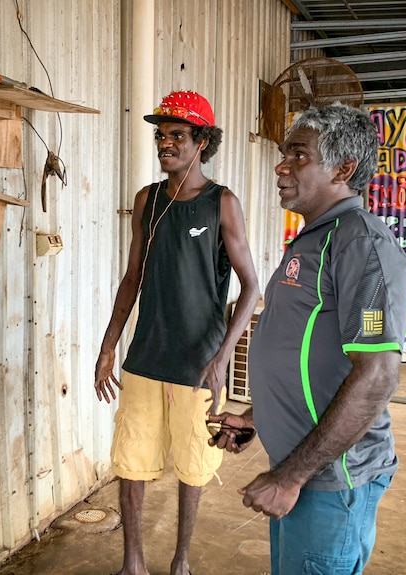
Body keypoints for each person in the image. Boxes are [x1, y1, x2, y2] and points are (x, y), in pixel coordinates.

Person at [209, 103, 406, 574]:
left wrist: (291, 475)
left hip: (329, 478)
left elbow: (378, 375)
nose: (281, 166)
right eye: (284, 154)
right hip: (302, 469)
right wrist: (260, 417)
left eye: (298, 155)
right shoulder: (315, 239)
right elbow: (310, 357)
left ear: (344, 168)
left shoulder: (361, 245)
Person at [94, 90, 260, 575]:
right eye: (161, 135)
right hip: (145, 358)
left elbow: (251, 286)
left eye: (177, 135)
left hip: (198, 365)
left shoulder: (221, 203)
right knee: (130, 462)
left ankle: (181, 561)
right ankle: (133, 564)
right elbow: (132, 278)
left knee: (193, 465)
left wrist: (223, 354)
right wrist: (108, 347)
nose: (165, 143)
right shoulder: (147, 200)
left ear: (202, 141)